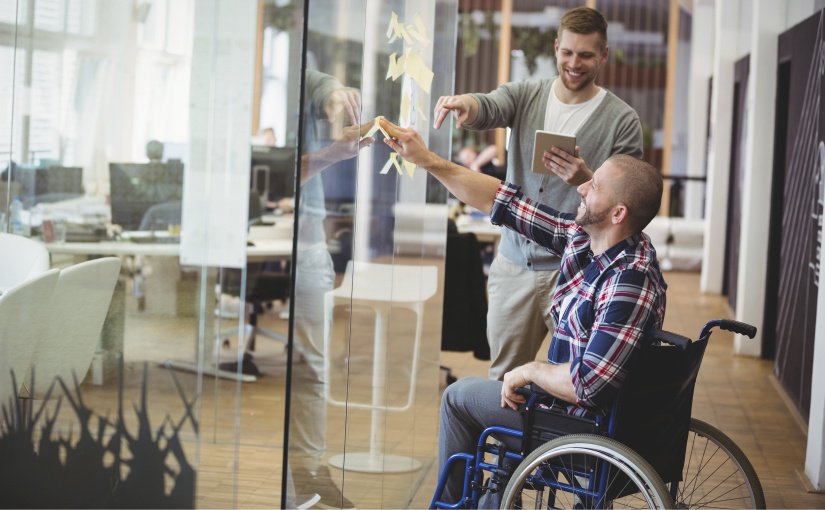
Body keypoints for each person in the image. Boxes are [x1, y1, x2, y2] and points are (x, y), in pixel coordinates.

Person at [378, 116, 666, 505]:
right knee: (492, 398)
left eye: (594, 186)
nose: (581, 188)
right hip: (571, 410)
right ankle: (491, 495)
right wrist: (427, 159)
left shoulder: (629, 280)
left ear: (618, 213)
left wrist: (531, 370)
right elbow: (504, 202)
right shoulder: (590, 241)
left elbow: (588, 385)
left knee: (459, 396)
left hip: (581, 427)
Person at [433, 7, 644, 381]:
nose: (574, 63)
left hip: (578, 273)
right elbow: (491, 105)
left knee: (569, 378)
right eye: (567, 52)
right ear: (556, 47)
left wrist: (586, 178)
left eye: (586, 55)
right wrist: (466, 104)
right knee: (504, 379)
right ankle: (505, 441)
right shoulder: (527, 94)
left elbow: (627, 200)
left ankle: (552, 442)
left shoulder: (622, 120)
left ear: (604, 55)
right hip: (514, 266)